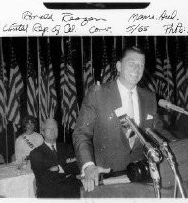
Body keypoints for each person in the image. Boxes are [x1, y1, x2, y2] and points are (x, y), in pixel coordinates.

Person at [72, 46, 175, 192]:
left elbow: (158, 131)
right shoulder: (98, 94)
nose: (137, 68)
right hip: (105, 177)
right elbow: (81, 133)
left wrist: (181, 146)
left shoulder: (149, 97)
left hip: (141, 177)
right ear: (119, 66)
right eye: (132, 63)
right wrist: (88, 166)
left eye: (141, 65)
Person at [30, 118, 81, 198]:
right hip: (50, 195)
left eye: (55, 128)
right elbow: (45, 179)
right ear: (42, 132)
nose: (52, 130)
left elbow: (78, 167)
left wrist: (58, 168)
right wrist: (68, 170)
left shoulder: (67, 147)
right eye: (49, 128)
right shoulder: (35, 153)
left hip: (72, 193)